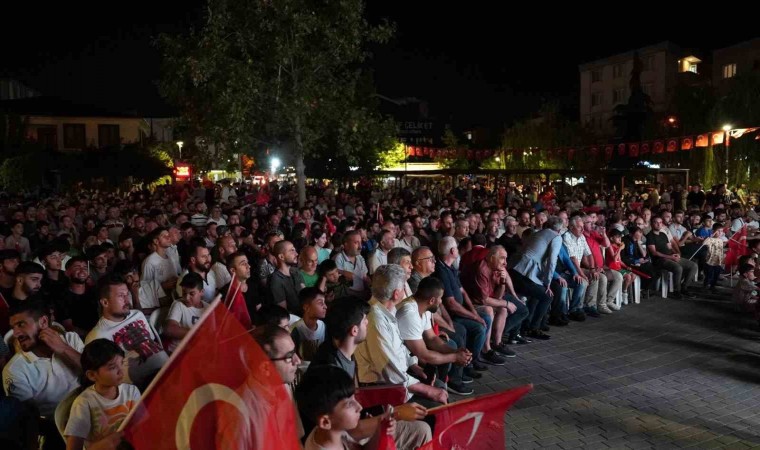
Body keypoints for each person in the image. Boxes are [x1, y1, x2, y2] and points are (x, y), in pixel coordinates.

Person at [355, 265, 449, 406]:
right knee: (438, 398)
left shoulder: (387, 311)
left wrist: (414, 365)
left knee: (438, 384)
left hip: (397, 379)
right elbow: (392, 373)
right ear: (396, 294)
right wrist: (429, 391)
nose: (407, 291)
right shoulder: (376, 321)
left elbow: (398, 348)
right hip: (382, 388)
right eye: (404, 287)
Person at [85, 275, 169, 389]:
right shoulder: (97, 336)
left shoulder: (137, 315)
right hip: (141, 388)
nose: (127, 300)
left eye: (127, 295)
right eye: (121, 296)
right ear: (105, 302)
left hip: (167, 370)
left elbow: (153, 342)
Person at [3, 301, 83, 417]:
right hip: (54, 427)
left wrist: (64, 348)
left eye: (21, 324)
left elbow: (95, 373)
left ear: (43, 322)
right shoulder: (15, 369)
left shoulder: (71, 339)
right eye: (13, 328)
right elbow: (28, 419)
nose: (15, 334)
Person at [396, 277, 473, 396]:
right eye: (440, 298)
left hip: (411, 358)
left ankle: (441, 387)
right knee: (439, 377)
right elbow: (424, 355)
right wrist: (454, 357)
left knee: (446, 350)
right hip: (402, 366)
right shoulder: (409, 313)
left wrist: (455, 351)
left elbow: (431, 338)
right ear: (432, 300)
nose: (441, 302)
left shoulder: (424, 307)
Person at [434, 237, 503, 367]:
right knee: (479, 327)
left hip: (460, 309)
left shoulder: (451, 268)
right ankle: (469, 363)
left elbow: (463, 292)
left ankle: (476, 355)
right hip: (452, 314)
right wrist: (474, 316)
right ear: (453, 251)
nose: (459, 251)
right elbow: (451, 304)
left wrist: (474, 312)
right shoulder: (441, 271)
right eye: (457, 248)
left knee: (486, 318)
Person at [63, 339, 141, 450]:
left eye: (122, 363)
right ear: (92, 375)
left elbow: (141, 424)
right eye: (112, 367)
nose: (121, 371)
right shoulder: (84, 402)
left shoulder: (132, 391)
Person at [296, 366, 396, 450]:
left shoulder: (336, 432)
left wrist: (379, 431)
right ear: (325, 422)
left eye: (354, 398)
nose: (360, 407)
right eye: (349, 404)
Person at [508, 217, 563, 339]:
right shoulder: (556, 237)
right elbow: (552, 261)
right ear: (559, 229)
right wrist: (547, 282)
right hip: (524, 273)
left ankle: (526, 327)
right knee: (548, 296)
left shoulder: (538, 233)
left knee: (536, 295)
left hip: (514, 270)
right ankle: (534, 328)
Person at [646, 217, 698, 299]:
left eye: (660, 222)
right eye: (656, 222)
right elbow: (654, 252)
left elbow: (669, 247)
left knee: (693, 266)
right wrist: (670, 257)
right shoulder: (650, 236)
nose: (659, 224)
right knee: (678, 268)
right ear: (651, 224)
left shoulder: (663, 234)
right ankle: (677, 291)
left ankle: (684, 287)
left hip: (670, 256)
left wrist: (676, 254)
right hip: (660, 260)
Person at [164, 272, 209, 353]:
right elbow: (169, 330)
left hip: (199, 350)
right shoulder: (179, 304)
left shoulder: (208, 308)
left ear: (201, 292)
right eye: (184, 293)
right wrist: (197, 334)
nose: (187, 298)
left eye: (192, 294)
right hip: (180, 352)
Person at [268, 240, 306, 315]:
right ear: (281, 256)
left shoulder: (296, 271)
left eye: (295, 250)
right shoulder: (276, 280)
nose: (296, 254)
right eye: (292, 251)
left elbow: (305, 294)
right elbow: (284, 312)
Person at [290, 287, 327, 362]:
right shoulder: (296, 329)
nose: (325, 306)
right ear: (306, 307)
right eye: (320, 303)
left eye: (325, 302)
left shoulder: (323, 326)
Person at [335, 231, 370, 300]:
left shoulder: (360, 257)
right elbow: (340, 285)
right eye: (356, 243)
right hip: (347, 300)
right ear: (346, 245)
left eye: (361, 242)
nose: (360, 247)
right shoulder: (338, 258)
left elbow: (365, 277)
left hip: (362, 297)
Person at [703, 224, 726, 292]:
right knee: (709, 275)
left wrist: (722, 259)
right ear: (713, 231)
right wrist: (711, 235)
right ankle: (706, 286)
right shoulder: (711, 239)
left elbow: (721, 250)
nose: (719, 233)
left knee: (716, 275)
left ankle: (713, 286)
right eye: (718, 231)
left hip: (717, 261)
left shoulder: (721, 240)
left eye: (721, 231)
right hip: (710, 260)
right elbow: (704, 243)